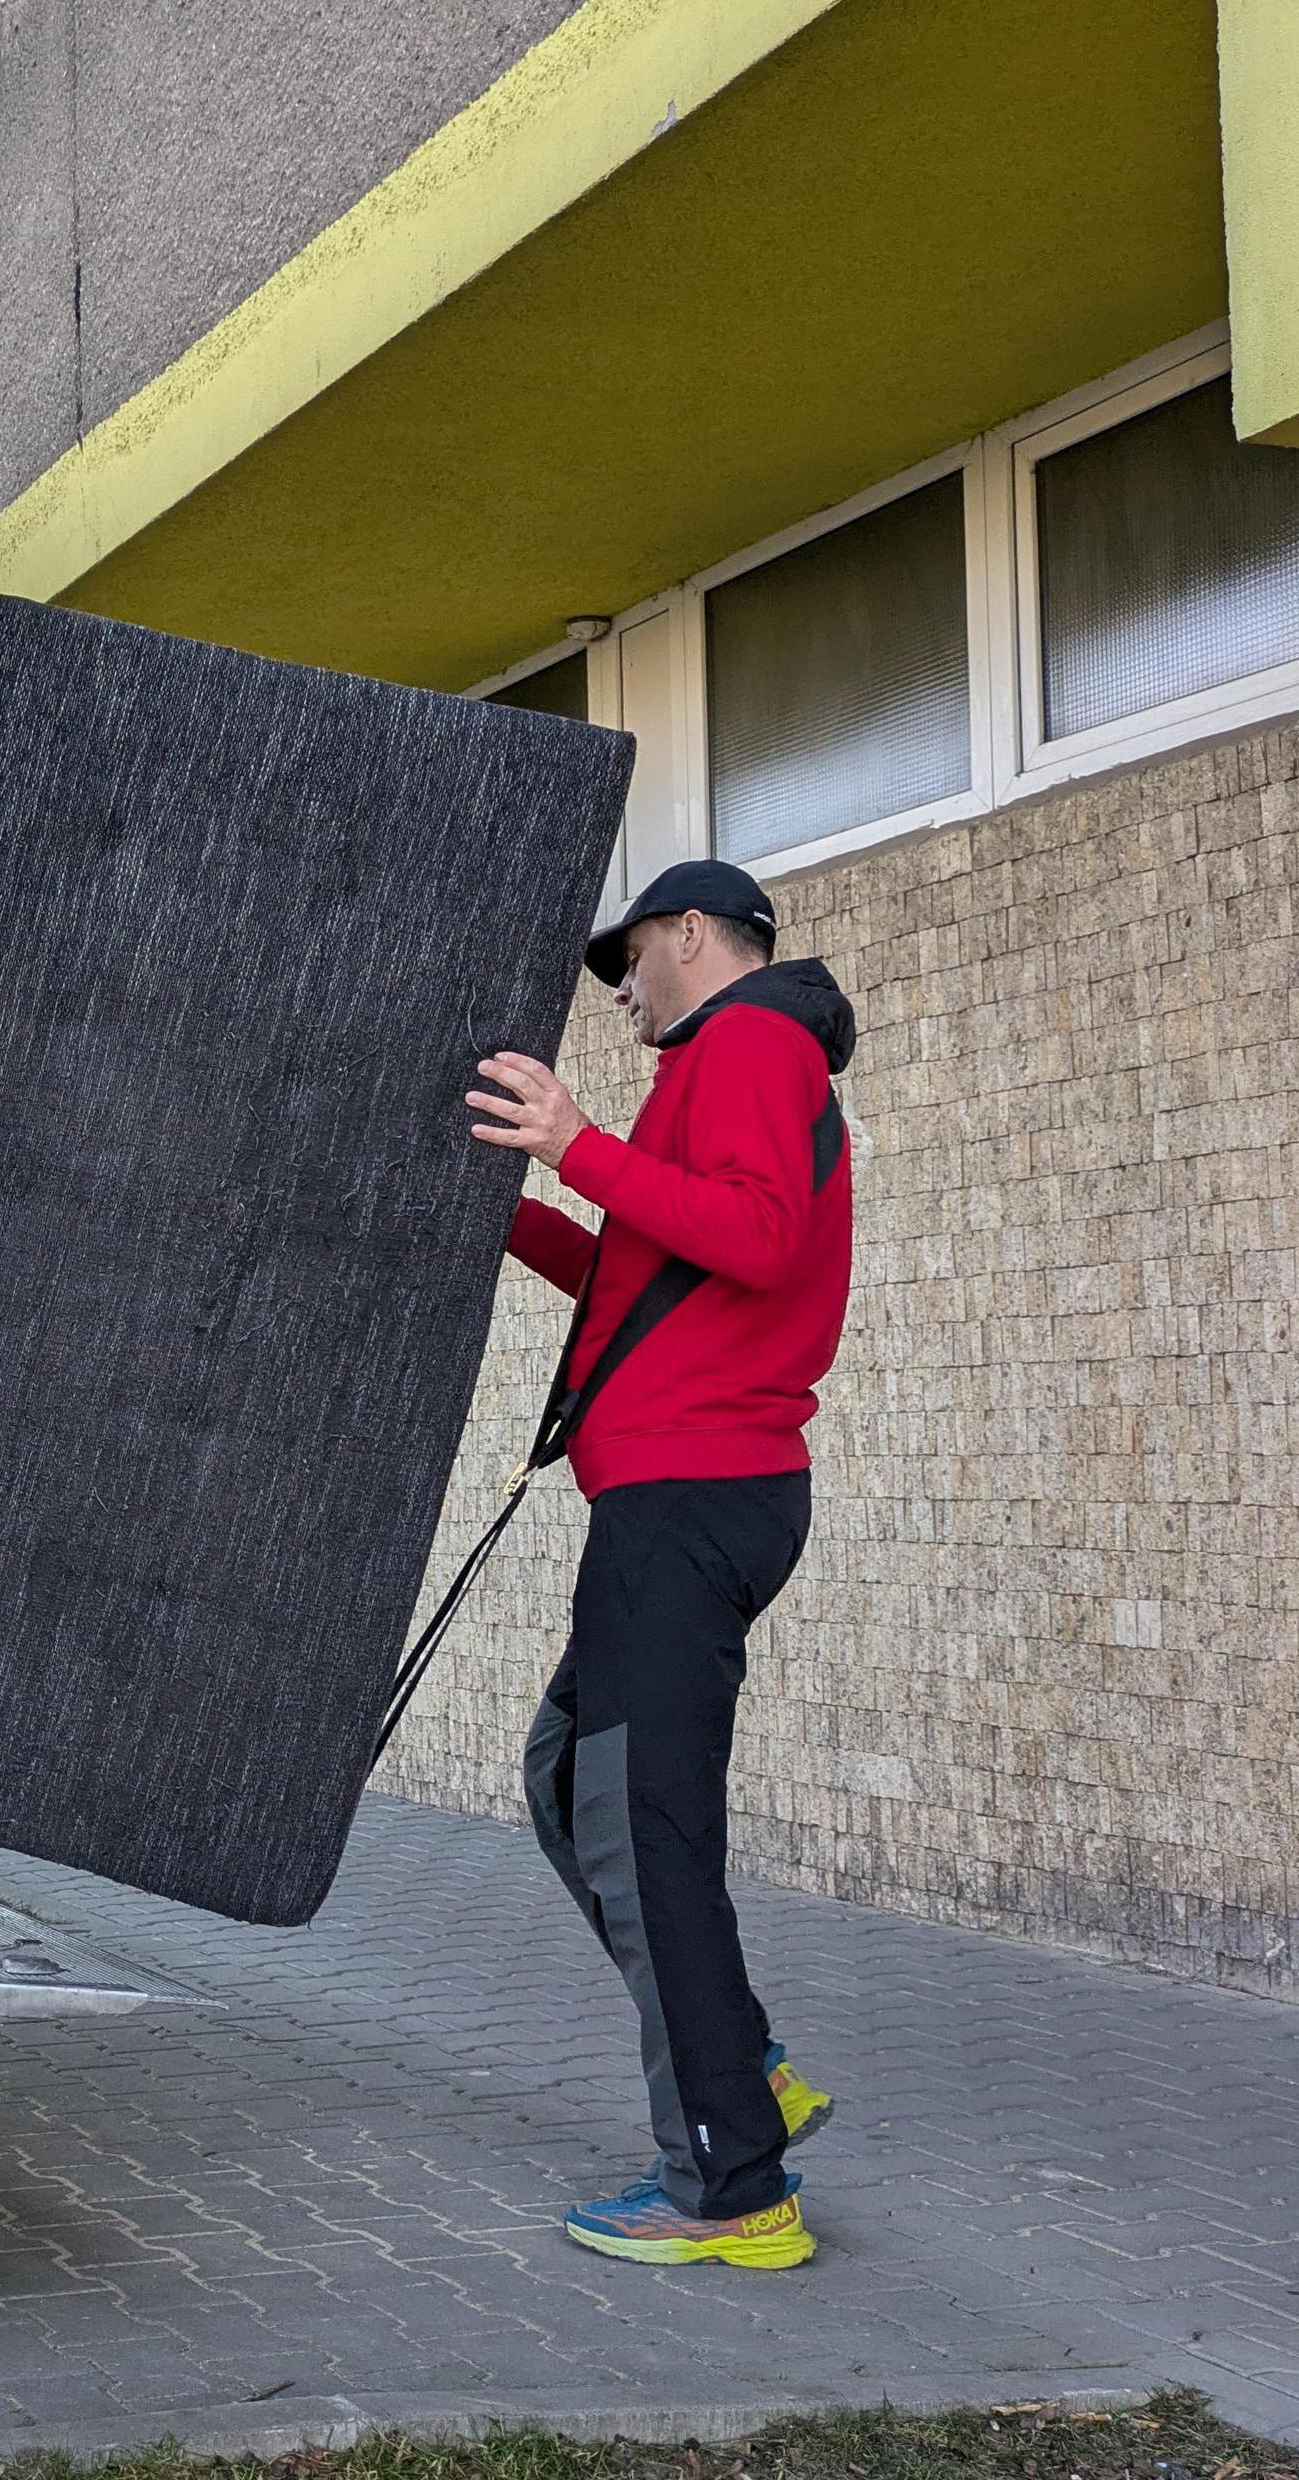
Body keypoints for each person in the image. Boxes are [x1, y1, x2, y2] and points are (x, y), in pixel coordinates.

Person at [464, 858, 856, 2271]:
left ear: (693, 934)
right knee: (571, 1781)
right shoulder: (719, 1064)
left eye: (625, 958)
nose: (617, 988)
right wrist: (510, 1208)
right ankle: (740, 2066)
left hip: (694, 1496)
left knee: (640, 1828)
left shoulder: (749, 1040)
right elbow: (646, 1280)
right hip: (676, 1494)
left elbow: (753, 1236)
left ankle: (730, 2186)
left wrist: (572, 1141)